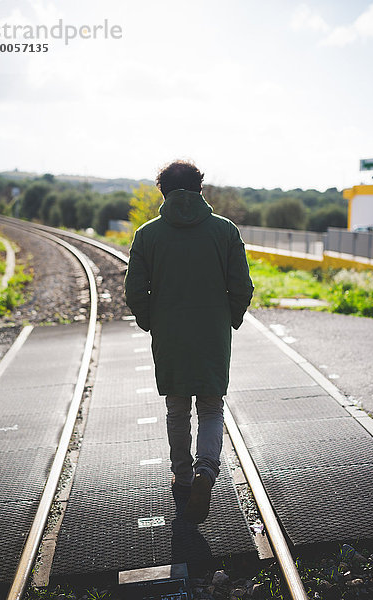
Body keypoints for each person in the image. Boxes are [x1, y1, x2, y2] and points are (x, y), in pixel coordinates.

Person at [124, 160, 254, 524]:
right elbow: (241, 286)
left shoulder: (147, 235)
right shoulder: (224, 231)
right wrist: (229, 318)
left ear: (163, 192)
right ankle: (207, 472)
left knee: (177, 408)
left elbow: (135, 290)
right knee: (211, 407)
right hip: (212, 333)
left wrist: (151, 321)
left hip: (170, 333)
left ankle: (182, 476)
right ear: (200, 189)